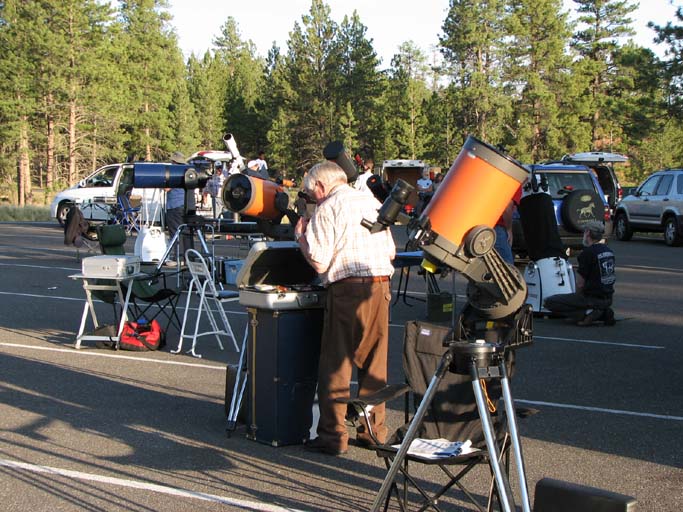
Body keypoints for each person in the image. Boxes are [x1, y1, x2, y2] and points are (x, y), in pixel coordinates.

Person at [295, 161, 395, 456]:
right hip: (380, 285)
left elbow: (320, 261)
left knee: (336, 365)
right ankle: (372, 431)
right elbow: (391, 250)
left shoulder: (328, 207)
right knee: (375, 363)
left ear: (321, 187)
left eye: (310, 193)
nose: (311, 198)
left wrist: (301, 236)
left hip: (348, 289)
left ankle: (332, 435)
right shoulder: (371, 200)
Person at [543, 221, 616, 326]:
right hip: (608, 297)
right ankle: (602, 312)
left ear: (588, 233)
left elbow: (580, 284)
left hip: (592, 297)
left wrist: (576, 300)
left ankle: (589, 313)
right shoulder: (608, 251)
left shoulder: (587, 253)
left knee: (549, 302)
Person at [165, 151, 195, 266]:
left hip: (175, 205)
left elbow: (167, 188)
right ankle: (188, 258)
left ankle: (177, 257)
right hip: (186, 205)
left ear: (174, 161)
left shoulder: (174, 172)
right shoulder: (187, 171)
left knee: (175, 232)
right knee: (187, 232)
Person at [494, 185, 522, 264]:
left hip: (480, 226)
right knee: (507, 267)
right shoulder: (514, 184)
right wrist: (509, 230)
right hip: (497, 227)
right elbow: (507, 208)